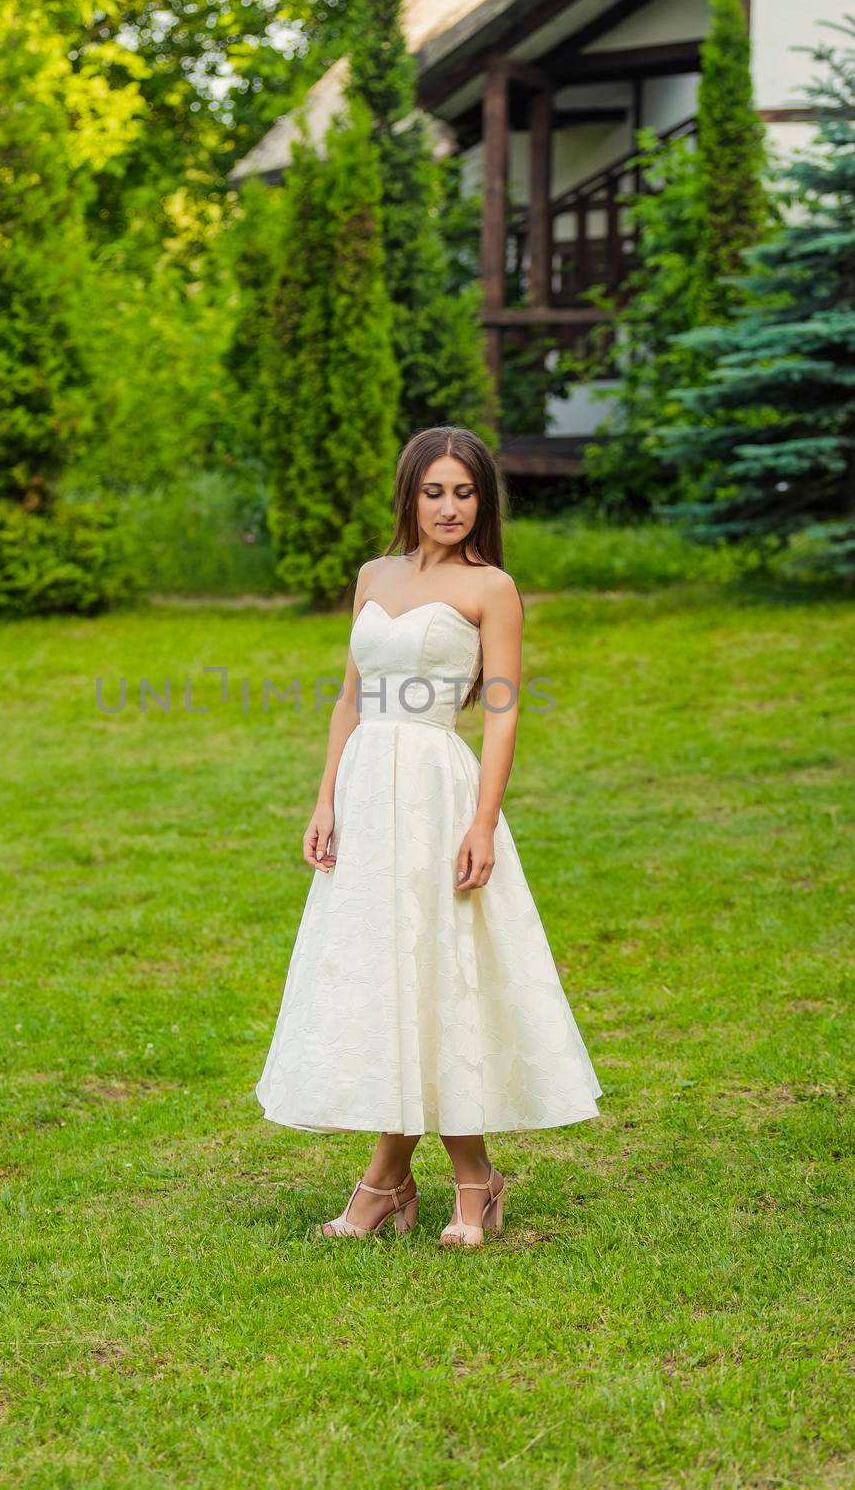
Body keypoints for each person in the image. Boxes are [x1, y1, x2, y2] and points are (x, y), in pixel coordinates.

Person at [254, 426, 602, 1247]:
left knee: (436, 969)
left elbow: (506, 708)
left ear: (484, 501)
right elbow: (350, 697)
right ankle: (432, 1181)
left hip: (436, 790)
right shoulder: (374, 576)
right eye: (434, 491)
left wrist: (481, 820)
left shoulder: (493, 588)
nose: (449, 507)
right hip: (368, 791)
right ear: (409, 495)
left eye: (465, 492)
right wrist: (324, 800)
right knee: (385, 974)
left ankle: (420, 1183)